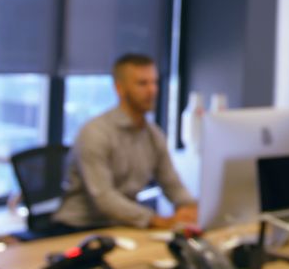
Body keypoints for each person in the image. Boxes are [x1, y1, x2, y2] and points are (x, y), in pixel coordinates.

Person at [52, 53, 198, 231]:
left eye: (154, 82)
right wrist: (156, 220)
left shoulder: (153, 135)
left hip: (123, 226)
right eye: (142, 83)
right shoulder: (95, 133)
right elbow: (104, 198)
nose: (152, 90)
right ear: (119, 88)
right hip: (80, 227)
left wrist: (189, 207)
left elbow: (171, 183)